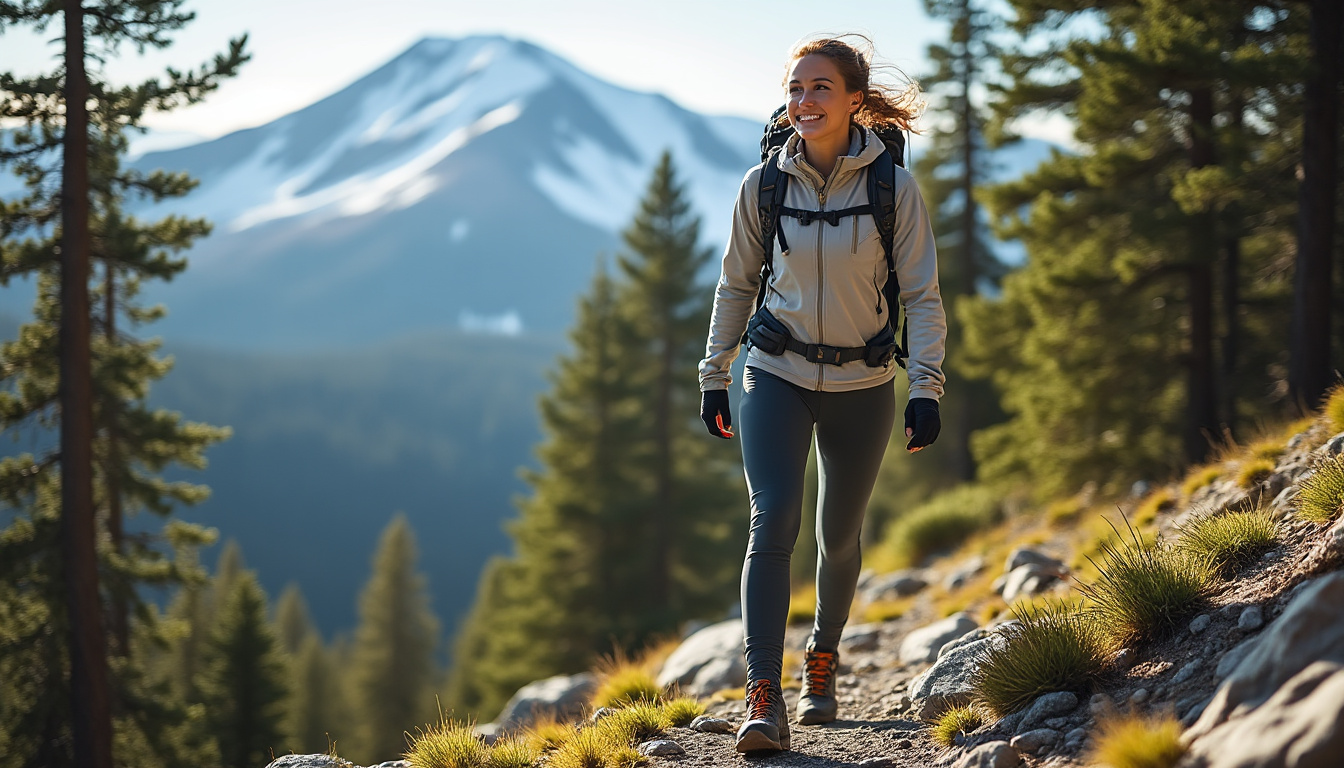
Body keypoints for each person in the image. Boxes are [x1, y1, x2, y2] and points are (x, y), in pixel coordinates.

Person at [697, 35, 946, 753]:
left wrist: (924, 387)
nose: (803, 102)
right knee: (772, 521)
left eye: (820, 88)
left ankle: (822, 656)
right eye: (795, 88)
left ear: (854, 101)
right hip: (773, 374)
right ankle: (763, 693)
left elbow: (924, 297)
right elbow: (736, 285)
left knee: (839, 537)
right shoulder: (762, 185)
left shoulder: (892, 189)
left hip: (862, 384)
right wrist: (715, 372)